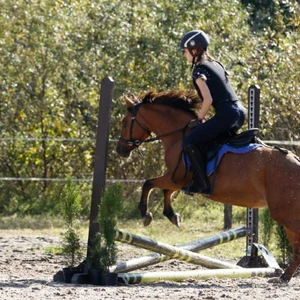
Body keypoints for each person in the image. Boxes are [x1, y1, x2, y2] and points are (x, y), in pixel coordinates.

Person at [179, 30, 246, 195]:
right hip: (239, 112)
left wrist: (199, 119)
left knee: (189, 141)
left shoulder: (198, 71)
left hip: (226, 114)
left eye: (185, 51)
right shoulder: (216, 64)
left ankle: (202, 184)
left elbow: (208, 100)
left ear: (194, 51)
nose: (184, 55)